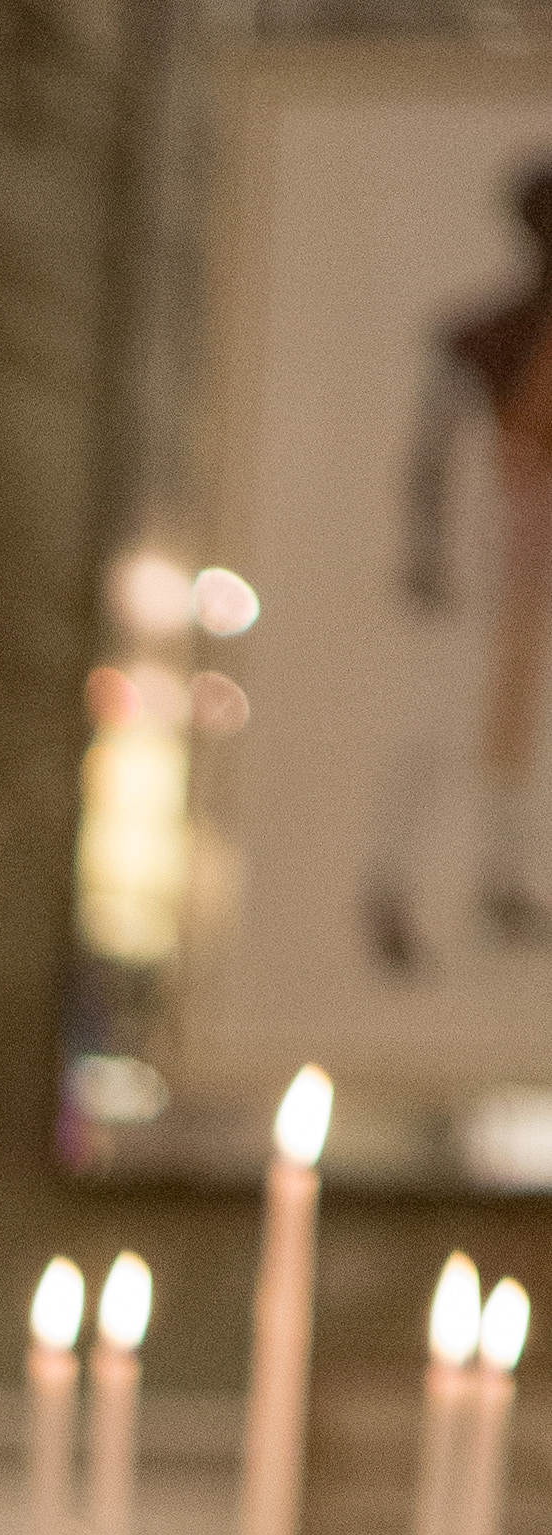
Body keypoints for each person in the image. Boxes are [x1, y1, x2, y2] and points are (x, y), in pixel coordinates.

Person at [372, 154, 552, 969]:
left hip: (530, 553)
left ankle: (501, 883)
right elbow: (434, 451)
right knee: (443, 721)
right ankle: (395, 888)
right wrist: (426, 550)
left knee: (518, 722)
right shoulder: (481, 334)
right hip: (487, 545)